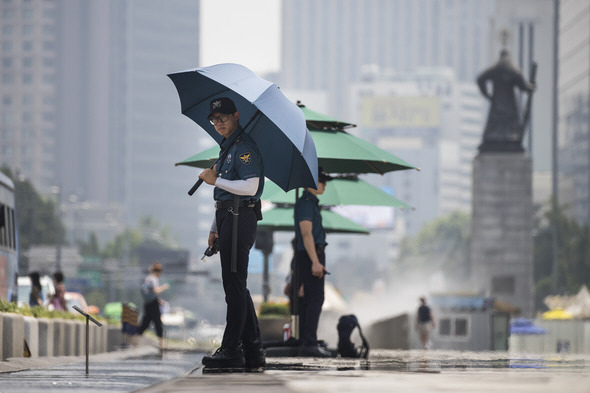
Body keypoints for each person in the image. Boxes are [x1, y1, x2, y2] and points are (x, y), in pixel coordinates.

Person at [198, 97, 266, 369]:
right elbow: (223, 193)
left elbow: (251, 187)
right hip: (227, 217)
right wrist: (215, 227)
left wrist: (217, 180)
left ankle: (231, 349)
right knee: (235, 285)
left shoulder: (245, 147)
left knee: (234, 286)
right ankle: (252, 349)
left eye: (223, 118)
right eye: (214, 120)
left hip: (241, 216)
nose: (218, 124)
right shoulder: (226, 148)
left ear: (236, 116)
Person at [294, 169, 332, 357]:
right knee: (315, 299)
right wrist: (315, 262)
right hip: (311, 255)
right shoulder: (307, 203)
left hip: (310, 255)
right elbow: (306, 233)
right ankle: (308, 342)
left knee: (310, 299)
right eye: (322, 180)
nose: (325, 183)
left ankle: (307, 341)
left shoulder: (310, 203)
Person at [476, 49, 535, 152]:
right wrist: (530, 87)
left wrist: (487, 95)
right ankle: (510, 139)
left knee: (495, 126)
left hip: (497, 104)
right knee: (510, 127)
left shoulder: (495, 69)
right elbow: (523, 85)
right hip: (509, 104)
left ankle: (500, 140)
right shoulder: (513, 69)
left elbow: (480, 79)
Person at [137, 262, 169, 349]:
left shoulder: (148, 278)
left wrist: (159, 300)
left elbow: (150, 293)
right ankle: (161, 343)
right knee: (158, 323)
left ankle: (134, 341)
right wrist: (164, 287)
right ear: (158, 271)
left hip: (147, 303)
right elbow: (155, 291)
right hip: (153, 304)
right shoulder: (154, 279)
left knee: (145, 323)